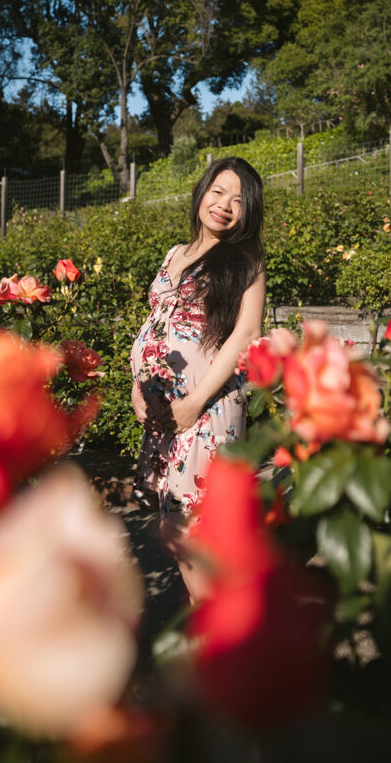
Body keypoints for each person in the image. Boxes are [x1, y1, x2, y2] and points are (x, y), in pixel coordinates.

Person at [130, 157, 265, 601]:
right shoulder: (175, 253)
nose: (225, 205)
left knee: (188, 526)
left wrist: (193, 403)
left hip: (206, 405)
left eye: (239, 201)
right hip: (163, 409)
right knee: (177, 518)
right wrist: (137, 384)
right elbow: (156, 320)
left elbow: (245, 335)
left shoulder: (246, 260)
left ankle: (218, 633)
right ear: (203, 190)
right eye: (219, 191)